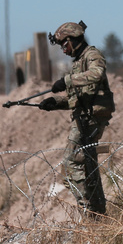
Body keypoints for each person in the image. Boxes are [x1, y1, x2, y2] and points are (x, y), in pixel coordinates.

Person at [38, 21, 115, 216]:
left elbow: (97, 74)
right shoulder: (77, 63)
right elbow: (79, 99)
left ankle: (88, 211)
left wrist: (67, 81)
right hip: (84, 117)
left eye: (64, 46)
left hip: (91, 118)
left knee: (71, 165)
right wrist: (56, 103)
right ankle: (98, 212)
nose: (63, 51)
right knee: (88, 166)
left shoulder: (92, 55)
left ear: (72, 40)